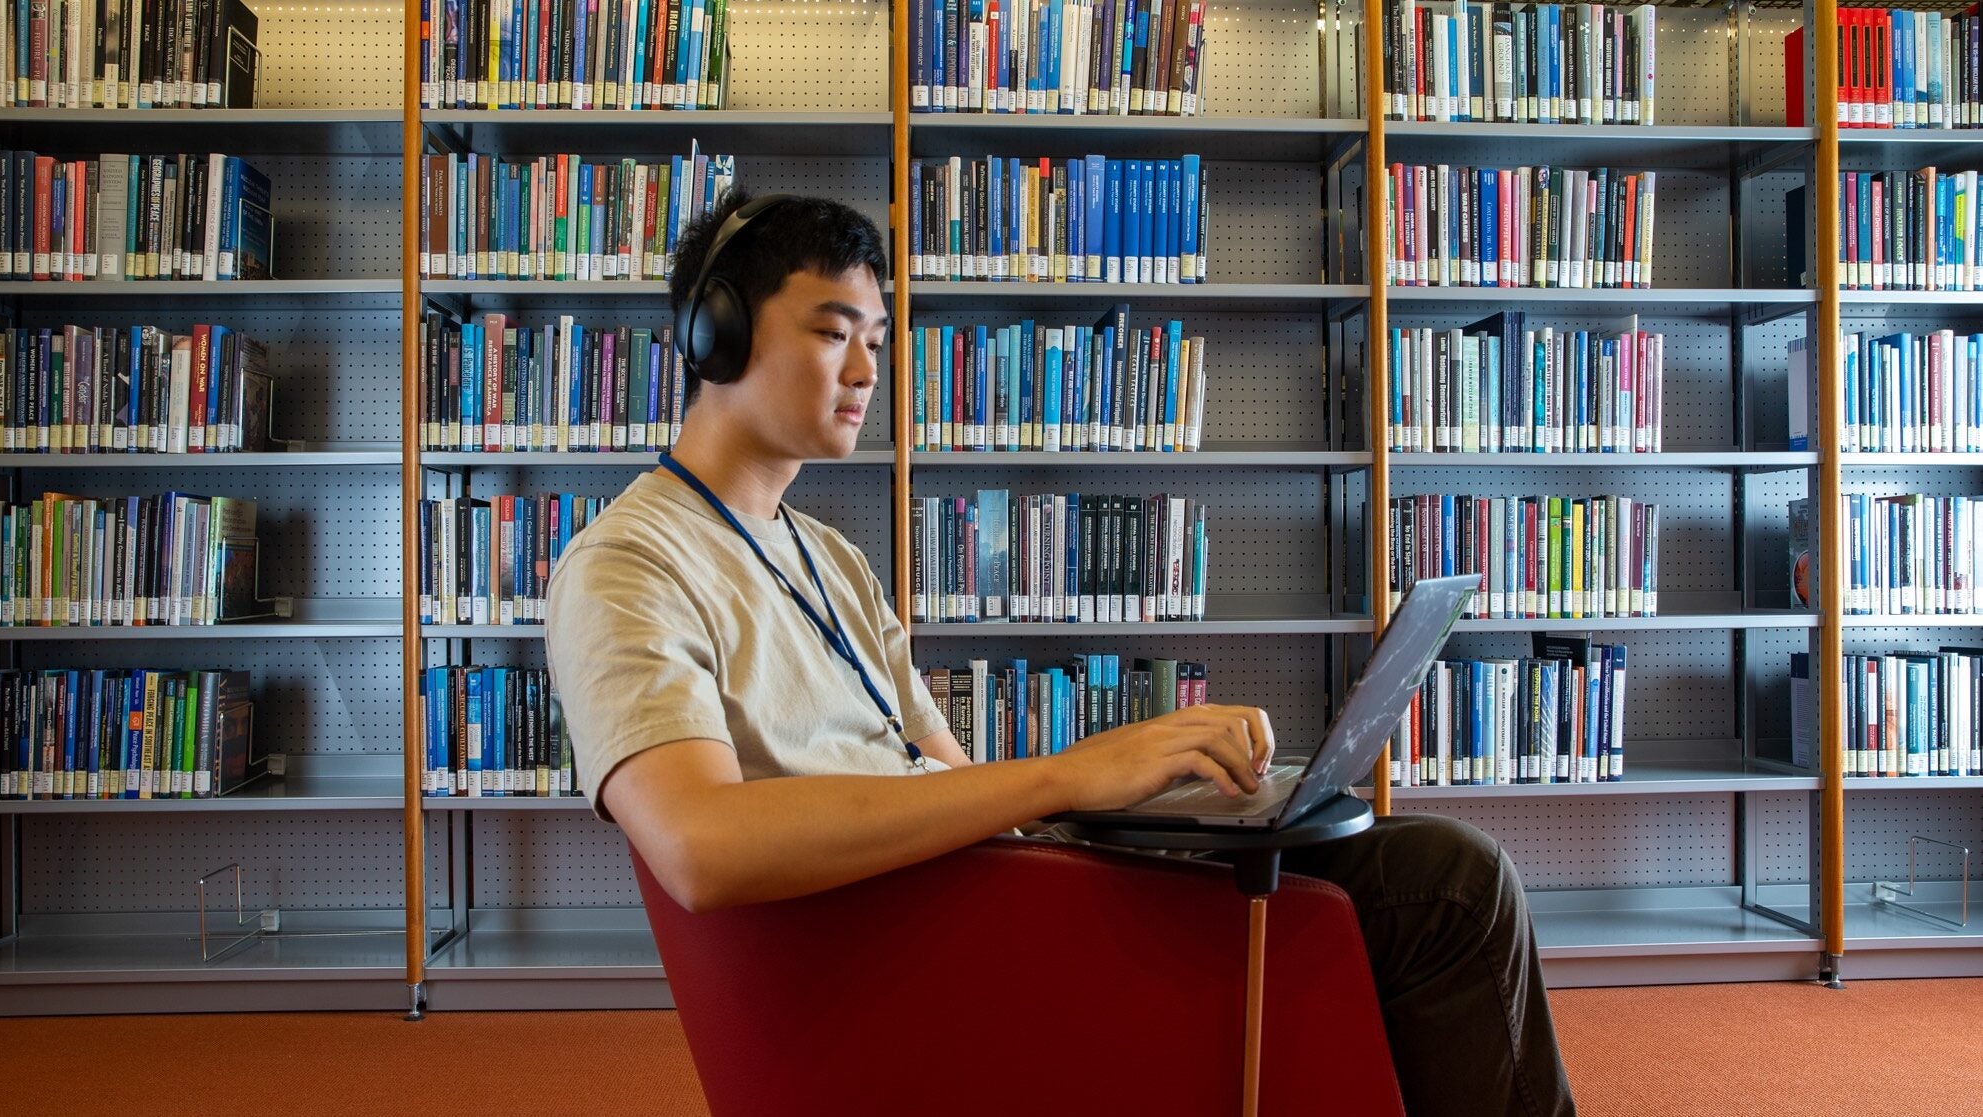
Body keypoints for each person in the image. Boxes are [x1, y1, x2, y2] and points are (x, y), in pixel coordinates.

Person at [543, 189, 1577, 1117]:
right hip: (902, 967)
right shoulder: (628, 566)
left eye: (877, 337)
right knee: (1443, 890)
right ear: (715, 337)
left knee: (1409, 866)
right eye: (832, 331)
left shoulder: (826, 559)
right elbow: (701, 846)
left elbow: (946, 778)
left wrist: (1138, 793)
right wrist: (1069, 774)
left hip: (980, 906)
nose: (866, 370)